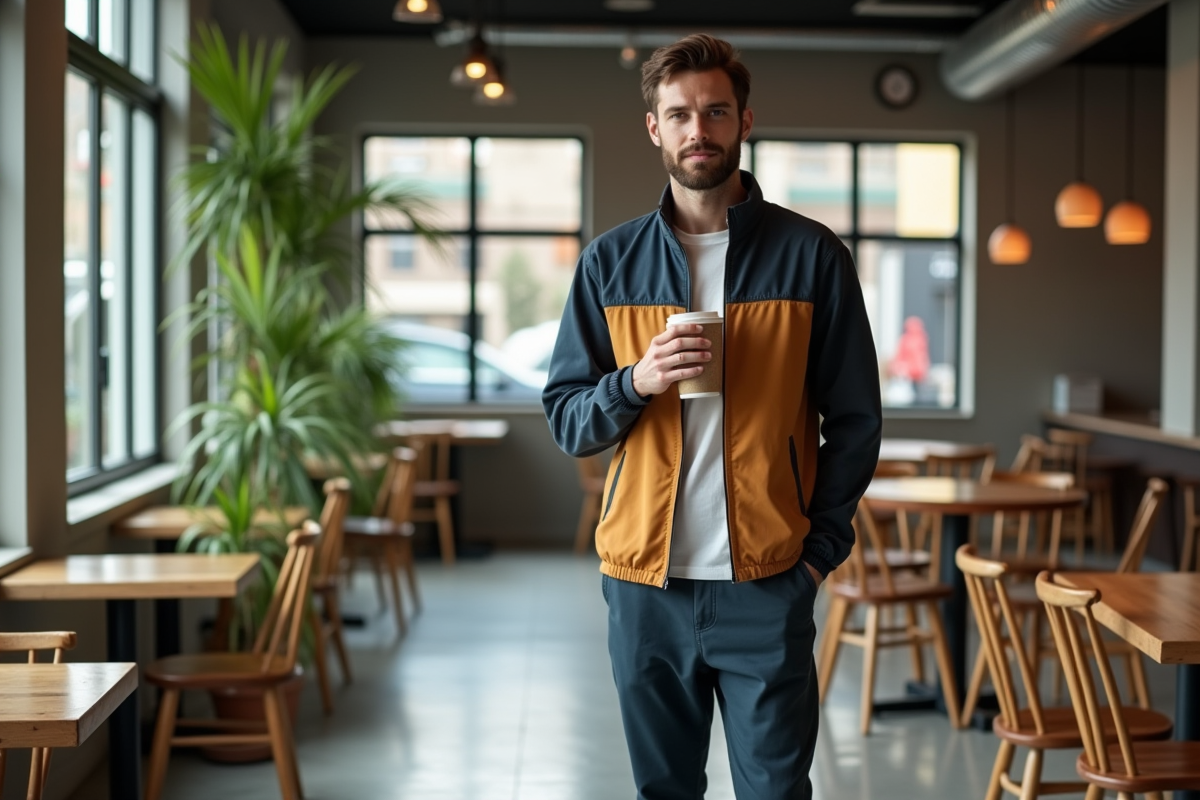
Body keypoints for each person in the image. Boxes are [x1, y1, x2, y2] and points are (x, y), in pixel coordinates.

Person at [542, 33, 882, 799]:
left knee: (774, 790)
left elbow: (856, 419)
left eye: (716, 111)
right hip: (643, 586)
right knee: (664, 790)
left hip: (766, 579)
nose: (700, 129)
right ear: (655, 129)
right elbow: (568, 418)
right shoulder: (609, 262)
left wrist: (817, 552)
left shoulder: (812, 255)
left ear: (744, 121)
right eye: (681, 114)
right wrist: (636, 380)